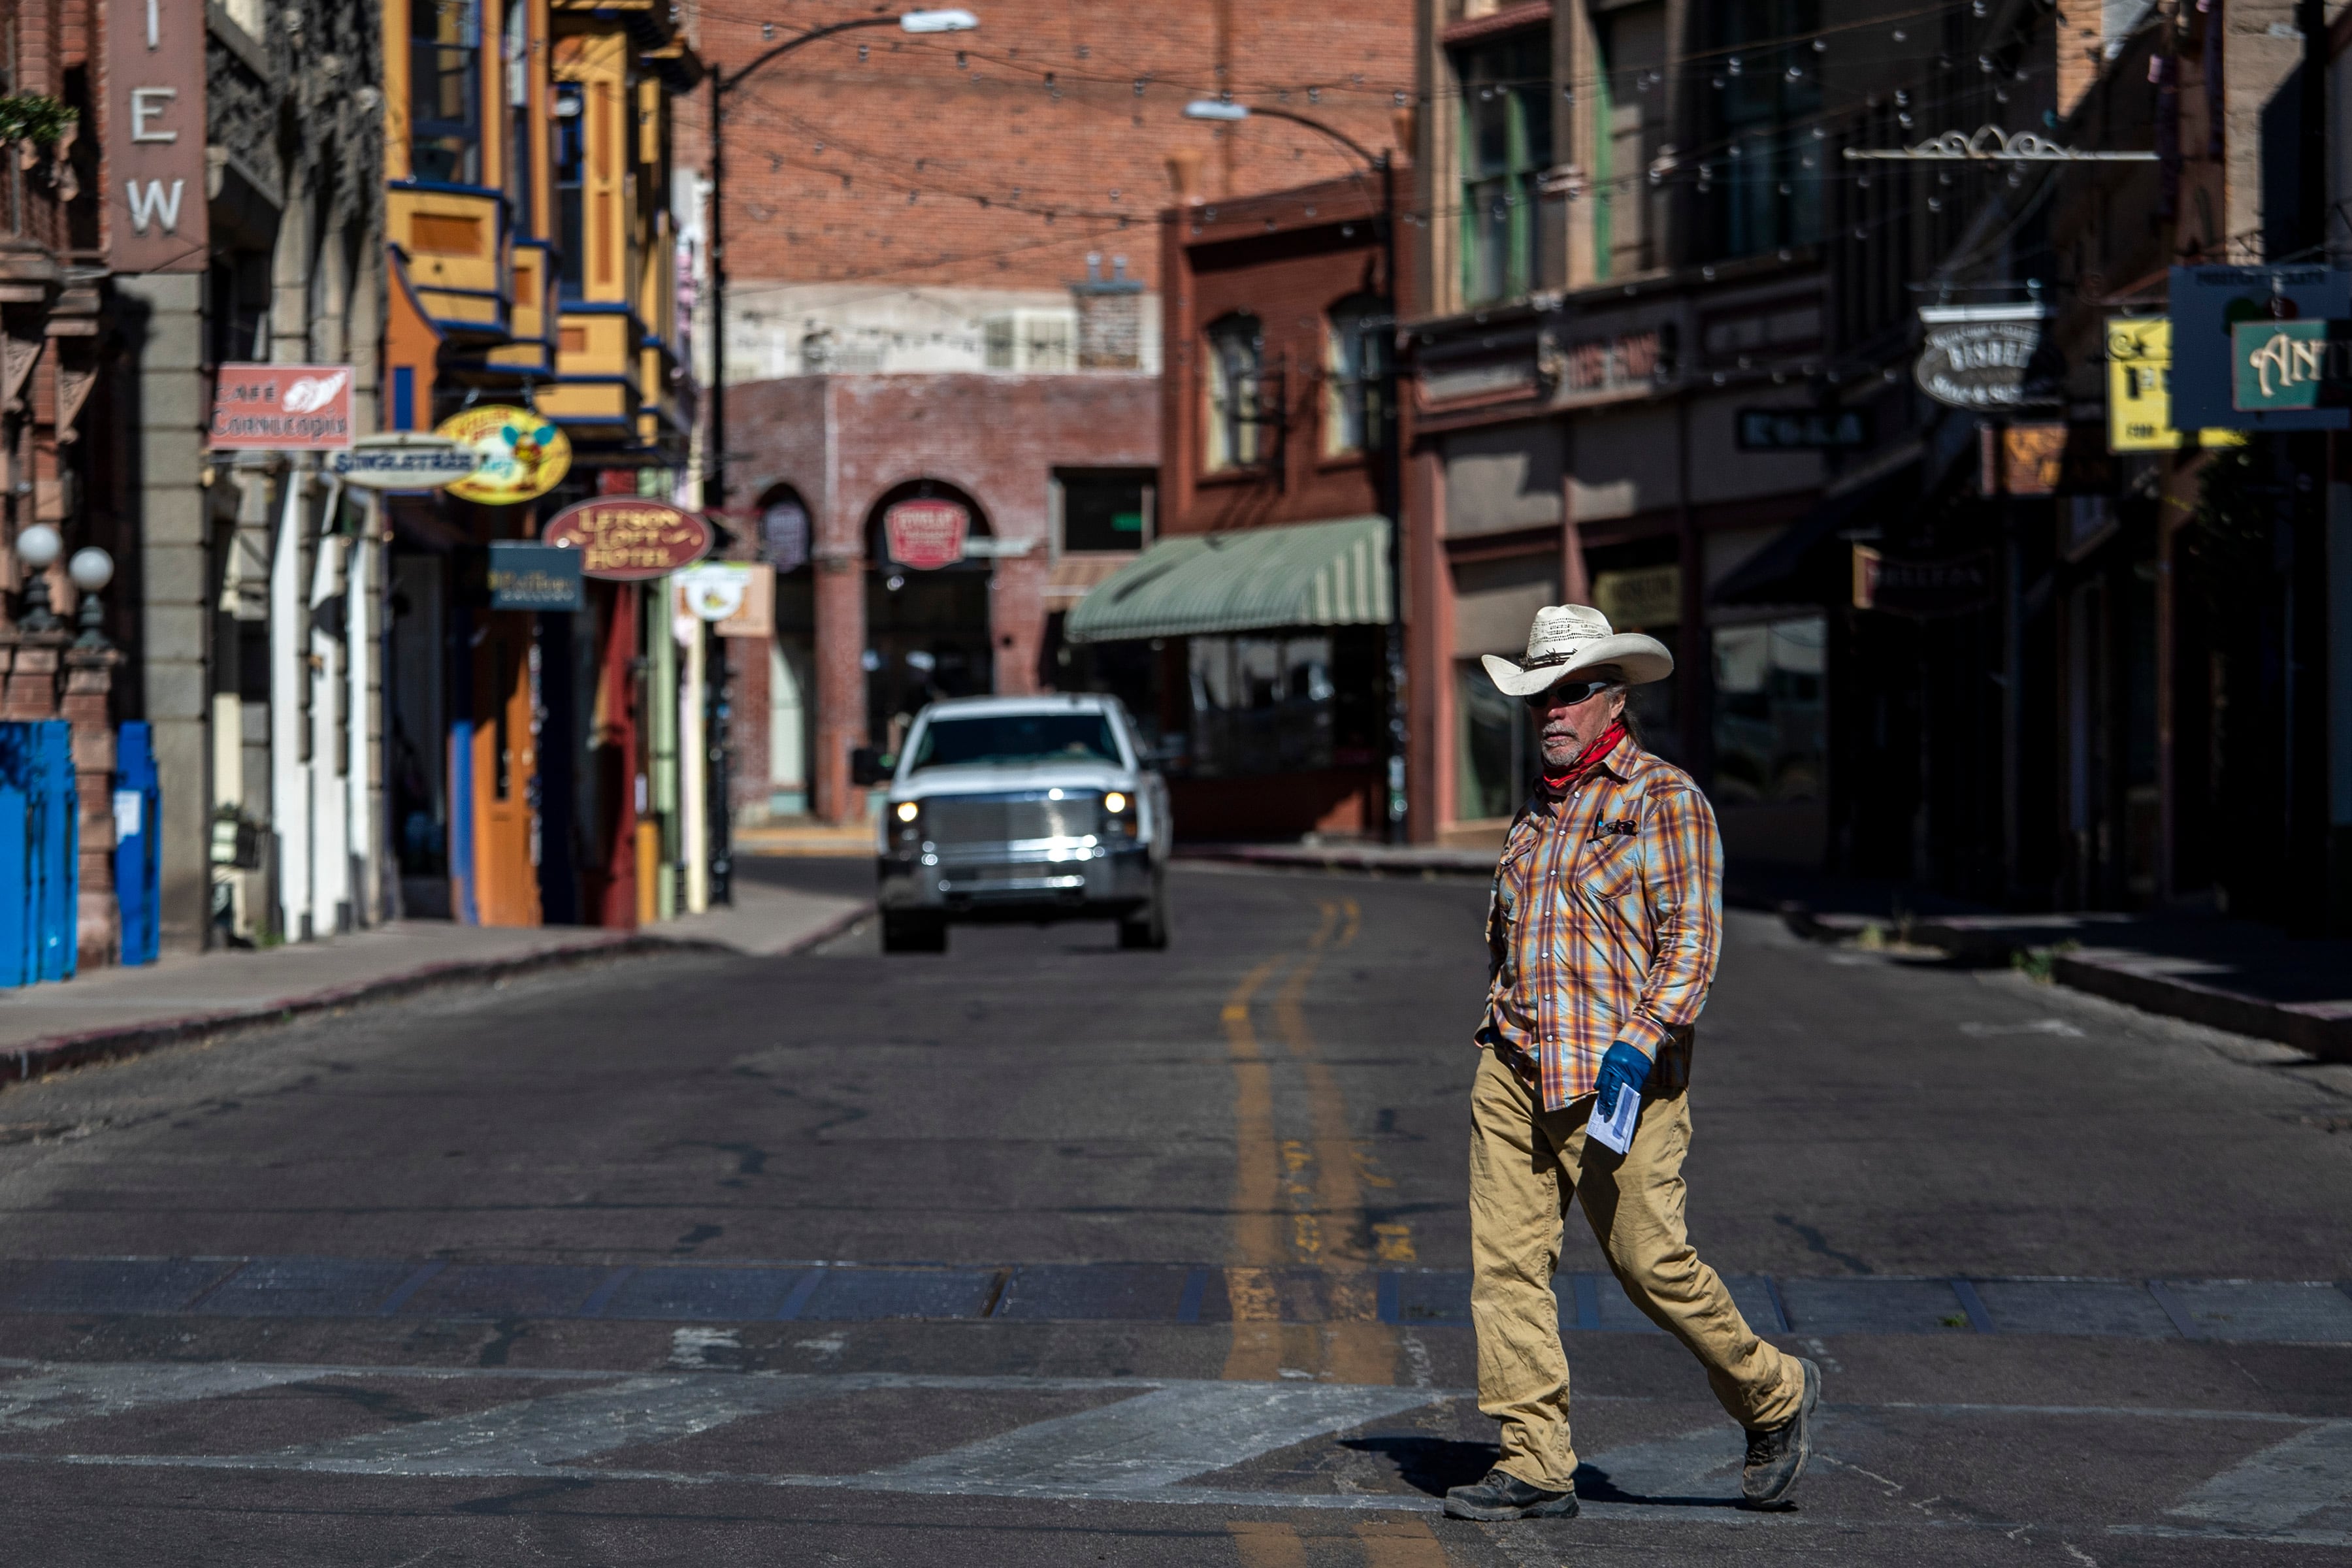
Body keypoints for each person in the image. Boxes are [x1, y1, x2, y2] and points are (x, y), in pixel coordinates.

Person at [1443, 603, 1820, 1523]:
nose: (1552, 713)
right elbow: (1512, 939)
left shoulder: (1664, 799)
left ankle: (1773, 1394)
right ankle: (1533, 1459)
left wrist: (1641, 1039)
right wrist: (1502, 1025)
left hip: (1622, 1078)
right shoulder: (1537, 810)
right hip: (1516, 1065)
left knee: (1651, 1263)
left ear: (1613, 700)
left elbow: (1691, 942)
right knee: (1506, 1270)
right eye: (1540, 698)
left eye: (1570, 694)